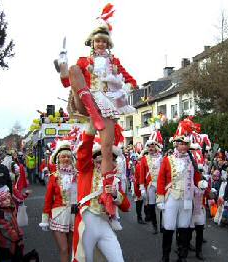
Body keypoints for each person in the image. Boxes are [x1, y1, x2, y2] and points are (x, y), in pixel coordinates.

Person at [56, 3, 137, 219]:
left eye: (103, 40)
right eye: (97, 40)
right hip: (86, 101)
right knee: (74, 69)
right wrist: (62, 67)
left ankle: (108, 193)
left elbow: (130, 79)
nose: (100, 43)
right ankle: (92, 110)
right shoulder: (85, 61)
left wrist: (131, 85)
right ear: (92, 42)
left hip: (106, 106)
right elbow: (67, 81)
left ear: (107, 43)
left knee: (108, 148)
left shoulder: (114, 62)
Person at [72, 124, 130, 262]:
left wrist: (116, 195)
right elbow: (84, 152)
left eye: (110, 161)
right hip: (87, 224)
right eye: (100, 161)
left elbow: (126, 206)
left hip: (105, 224)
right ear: (94, 161)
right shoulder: (86, 171)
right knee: (84, 259)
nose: (104, 164)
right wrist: (92, 126)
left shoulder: (114, 180)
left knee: (118, 259)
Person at [156, 118, 201, 262]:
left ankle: (182, 256)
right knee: (168, 227)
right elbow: (161, 179)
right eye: (180, 143)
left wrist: (201, 183)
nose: (183, 146)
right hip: (171, 197)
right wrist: (160, 198)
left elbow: (196, 177)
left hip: (187, 199)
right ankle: (165, 256)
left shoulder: (191, 160)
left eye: (185, 144)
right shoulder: (168, 159)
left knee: (184, 228)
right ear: (176, 145)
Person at [39, 140, 77, 262]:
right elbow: (48, 199)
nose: (66, 159)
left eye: (68, 157)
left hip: (74, 215)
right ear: (58, 159)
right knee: (64, 249)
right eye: (63, 156)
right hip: (59, 215)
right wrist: (45, 218)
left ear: (72, 159)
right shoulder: (54, 177)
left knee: (72, 248)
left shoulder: (77, 175)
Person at [139, 130, 164, 234]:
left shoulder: (162, 158)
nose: (151, 149)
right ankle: (155, 225)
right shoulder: (144, 159)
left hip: (161, 185)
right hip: (150, 186)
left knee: (162, 206)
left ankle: (163, 225)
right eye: (149, 147)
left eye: (152, 146)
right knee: (152, 206)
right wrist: (142, 188)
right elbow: (141, 174)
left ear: (156, 147)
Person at [0, 185, 24, 261]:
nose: (8, 200)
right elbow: (6, 230)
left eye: (8, 198)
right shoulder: (0, 214)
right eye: (4, 199)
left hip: (13, 243)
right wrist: (17, 236)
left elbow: (14, 224)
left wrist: (19, 231)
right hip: (6, 245)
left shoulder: (9, 209)